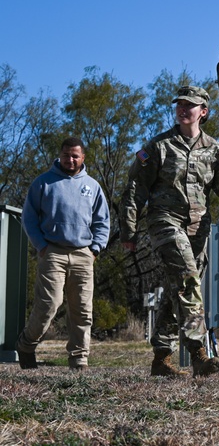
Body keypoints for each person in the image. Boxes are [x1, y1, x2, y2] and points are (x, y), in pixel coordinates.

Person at [120, 86, 219, 378]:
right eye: (179, 105)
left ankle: (161, 358)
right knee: (187, 278)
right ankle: (199, 354)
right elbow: (135, 190)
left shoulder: (215, 150)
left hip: (198, 229)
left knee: (179, 289)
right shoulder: (159, 146)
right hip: (164, 222)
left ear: (203, 112)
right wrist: (128, 230)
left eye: (190, 105)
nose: (183, 110)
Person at [16, 137, 110, 370]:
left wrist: (95, 249)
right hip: (52, 252)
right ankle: (26, 345)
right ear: (60, 155)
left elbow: (103, 221)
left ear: (83, 158)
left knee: (82, 309)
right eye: (66, 155)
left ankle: (79, 359)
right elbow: (29, 218)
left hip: (83, 254)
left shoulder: (92, 186)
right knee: (49, 304)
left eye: (75, 155)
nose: (70, 159)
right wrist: (42, 246)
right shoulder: (43, 183)